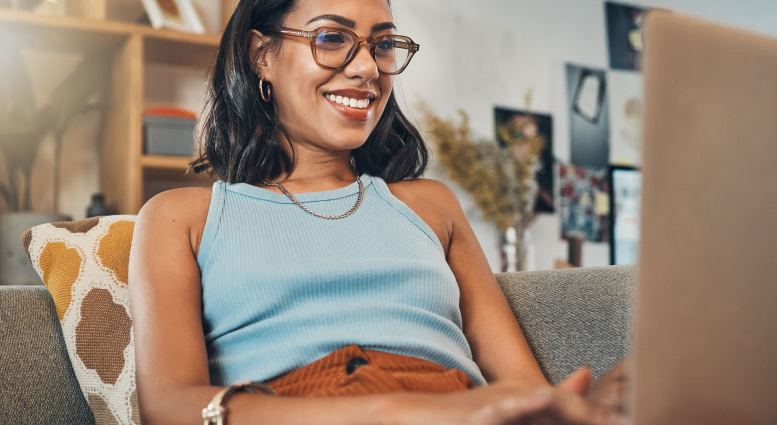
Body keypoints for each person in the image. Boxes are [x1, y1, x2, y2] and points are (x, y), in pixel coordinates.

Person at [128, 0, 627, 424]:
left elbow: (522, 388)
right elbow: (171, 407)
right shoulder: (180, 219)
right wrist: (389, 409)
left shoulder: (430, 205)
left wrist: (587, 406)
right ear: (262, 55)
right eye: (332, 37)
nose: (367, 67)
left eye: (382, 45)